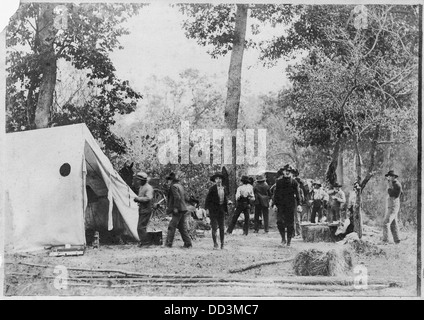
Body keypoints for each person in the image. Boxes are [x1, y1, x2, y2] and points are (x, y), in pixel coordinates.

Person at [273, 164, 302, 247]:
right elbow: (276, 194)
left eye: (289, 171)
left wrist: (299, 204)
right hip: (280, 205)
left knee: (290, 224)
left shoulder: (294, 182)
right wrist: (274, 204)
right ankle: (283, 238)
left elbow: (298, 194)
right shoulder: (279, 182)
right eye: (286, 171)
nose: (287, 172)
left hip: (290, 205)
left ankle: (289, 240)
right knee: (279, 222)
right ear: (283, 172)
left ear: (291, 172)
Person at [164, 172, 192, 248]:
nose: (168, 181)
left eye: (169, 180)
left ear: (171, 180)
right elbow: (185, 198)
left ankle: (168, 243)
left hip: (178, 209)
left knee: (171, 226)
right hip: (183, 209)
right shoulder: (180, 186)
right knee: (182, 227)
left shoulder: (173, 186)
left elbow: (177, 197)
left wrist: (175, 208)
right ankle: (188, 243)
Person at [205, 172, 229, 249]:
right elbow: (207, 200)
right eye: (217, 179)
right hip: (213, 210)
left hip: (221, 210)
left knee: (222, 227)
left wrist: (227, 203)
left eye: (220, 178)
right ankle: (215, 243)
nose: (218, 180)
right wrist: (207, 209)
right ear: (215, 180)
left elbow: (225, 198)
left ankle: (222, 244)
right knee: (214, 227)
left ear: (222, 180)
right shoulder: (212, 189)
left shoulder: (224, 188)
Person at [133, 171, 154, 247]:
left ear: (143, 180)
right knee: (141, 227)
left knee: (141, 227)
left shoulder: (148, 188)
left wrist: (138, 199)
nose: (138, 181)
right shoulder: (142, 187)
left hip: (146, 209)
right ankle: (143, 242)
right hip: (142, 209)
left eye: (139, 180)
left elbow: (148, 198)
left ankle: (146, 243)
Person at [382, 170, 403, 244]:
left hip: (393, 205)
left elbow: (393, 194)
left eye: (390, 176)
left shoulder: (397, 184)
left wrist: (389, 188)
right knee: (393, 223)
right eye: (388, 176)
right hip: (392, 205)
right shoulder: (393, 183)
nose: (389, 177)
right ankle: (397, 240)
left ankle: (386, 240)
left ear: (394, 177)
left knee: (386, 223)